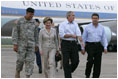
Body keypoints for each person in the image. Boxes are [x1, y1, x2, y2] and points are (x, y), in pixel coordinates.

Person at [12, 7, 39, 78]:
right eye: (30, 14)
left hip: (31, 46)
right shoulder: (19, 21)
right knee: (20, 60)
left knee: (30, 62)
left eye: (33, 14)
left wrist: (36, 45)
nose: (31, 16)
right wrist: (15, 44)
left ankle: (28, 76)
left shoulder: (34, 23)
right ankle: (18, 71)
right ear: (26, 13)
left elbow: (36, 35)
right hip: (21, 45)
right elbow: (15, 33)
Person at [81, 13, 108, 78]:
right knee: (90, 61)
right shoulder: (88, 27)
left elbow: (104, 38)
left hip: (98, 46)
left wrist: (105, 47)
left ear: (98, 19)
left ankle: (95, 76)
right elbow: (83, 38)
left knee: (97, 63)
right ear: (92, 19)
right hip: (90, 46)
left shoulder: (101, 27)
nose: (95, 20)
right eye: (93, 18)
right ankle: (87, 75)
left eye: (96, 18)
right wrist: (82, 48)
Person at [59, 11, 85, 78]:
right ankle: (68, 76)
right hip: (65, 43)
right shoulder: (62, 24)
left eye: (74, 15)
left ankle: (68, 71)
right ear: (68, 16)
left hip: (73, 44)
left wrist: (82, 45)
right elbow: (62, 35)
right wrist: (71, 35)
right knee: (66, 61)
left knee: (76, 61)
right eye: (72, 15)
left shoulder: (75, 24)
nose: (74, 17)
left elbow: (79, 34)